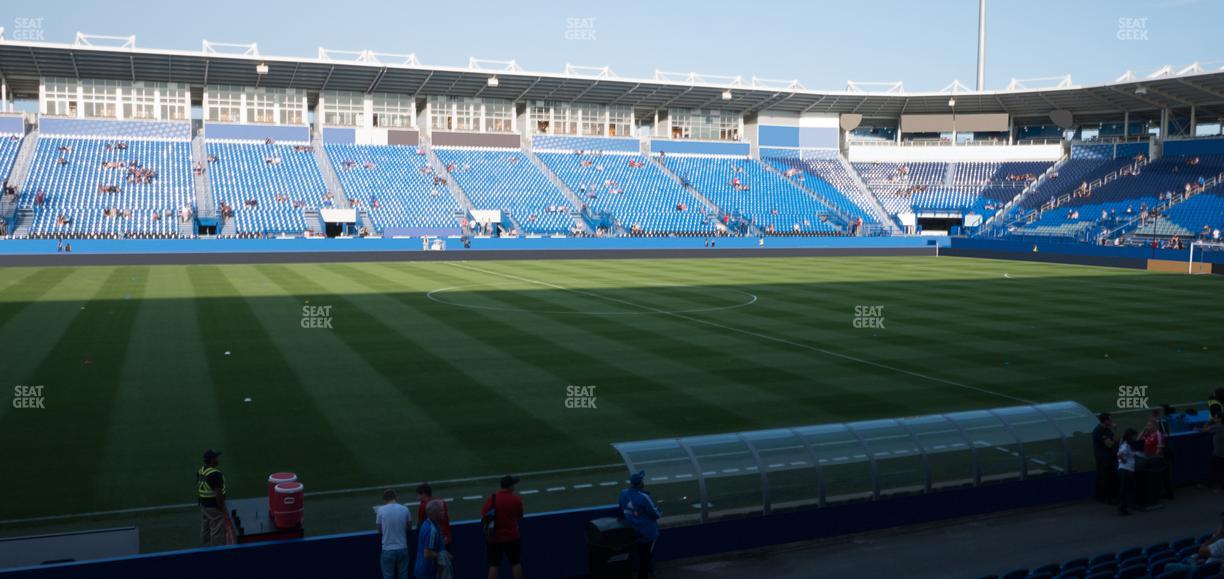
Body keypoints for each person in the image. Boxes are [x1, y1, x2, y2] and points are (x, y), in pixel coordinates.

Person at [618, 470, 662, 579]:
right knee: (646, 556)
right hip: (647, 533)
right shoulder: (644, 497)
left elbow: (622, 508)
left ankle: (649, 571)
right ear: (640, 483)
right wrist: (659, 510)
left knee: (640, 554)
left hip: (632, 532)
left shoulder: (623, 493)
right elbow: (656, 514)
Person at [481, 475, 524, 579]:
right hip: (512, 537)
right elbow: (520, 515)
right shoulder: (516, 499)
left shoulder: (491, 499)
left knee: (494, 565)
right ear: (510, 486)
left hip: (494, 538)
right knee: (515, 563)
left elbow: (484, 515)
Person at [197, 449, 234, 546]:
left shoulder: (201, 471)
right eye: (216, 457)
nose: (218, 459)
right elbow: (218, 494)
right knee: (217, 530)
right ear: (212, 460)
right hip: (213, 507)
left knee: (206, 528)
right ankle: (217, 551)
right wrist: (223, 509)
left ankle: (206, 548)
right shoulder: (215, 474)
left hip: (203, 505)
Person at [376, 489, 413, 579]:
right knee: (403, 576)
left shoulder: (380, 510)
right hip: (402, 548)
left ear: (385, 499)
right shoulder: (405, 509)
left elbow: (379, 530)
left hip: (387, 549)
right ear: (395, 497)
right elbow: (409, 527)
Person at [415, 499, 449, 579]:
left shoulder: (429, 523)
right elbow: (427, 554)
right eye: (441, 510)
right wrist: (442, 555)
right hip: (427, 572)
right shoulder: (431, 530)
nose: (444, 512)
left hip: (424, 570)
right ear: (434, 513)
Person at [416, 483, 452, 552]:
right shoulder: (441, 502)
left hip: (434, 541)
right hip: (446, 538)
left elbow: (420, 524)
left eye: (418, 494)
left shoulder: (423, 506)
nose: (417, 497)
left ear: (423, 494)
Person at [1092, 413, 1117, 503]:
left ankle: (1108, 497)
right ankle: (1104, 498)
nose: (1111, 421)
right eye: (1110, 420)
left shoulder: (1107, 429)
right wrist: (1114, 440)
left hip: (1108, 457)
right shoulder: (1099, 430)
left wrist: (1114, 433)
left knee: (1109, 476)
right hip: (1103, 458)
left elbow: (1116, 439)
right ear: (1105, 420)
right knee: (1104, 476)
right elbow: (1109, 444)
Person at [1117, 428, 1138, 516]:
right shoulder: (1126, 445)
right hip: (1126, 470)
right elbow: (1119, 454)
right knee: (1125, 490)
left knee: (1125, 490)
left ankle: (1124, 508)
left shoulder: (1126, 443)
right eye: (1134, 436)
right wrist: (1123, 460)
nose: (1135, 437)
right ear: (1131, 436)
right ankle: (1123, 509)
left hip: (1126, 470)